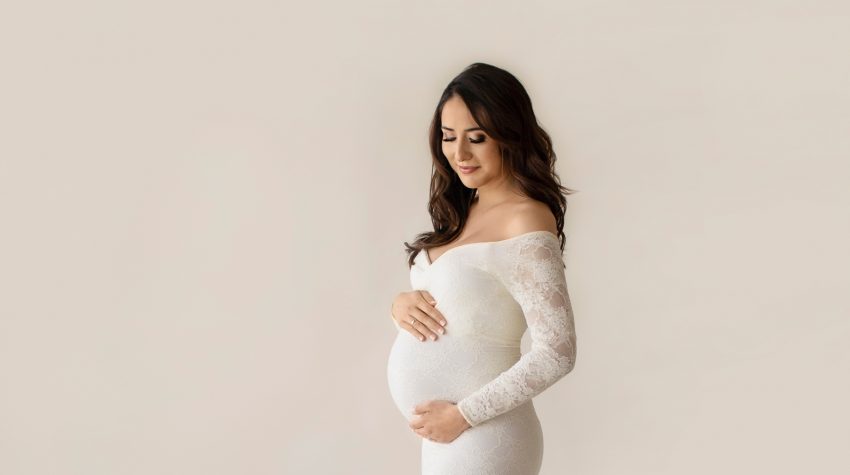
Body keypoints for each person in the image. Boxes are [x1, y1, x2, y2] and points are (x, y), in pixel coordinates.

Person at [386, 62, 578, 474]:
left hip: (483, 433)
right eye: (448, 137)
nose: (459, 153)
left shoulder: (525, 218)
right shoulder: (461, 212)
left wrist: (463, 416)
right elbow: (461, 311)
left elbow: (557, 352)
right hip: (445, 436)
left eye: (477, 138)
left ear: (510, 135)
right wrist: (400, 306)